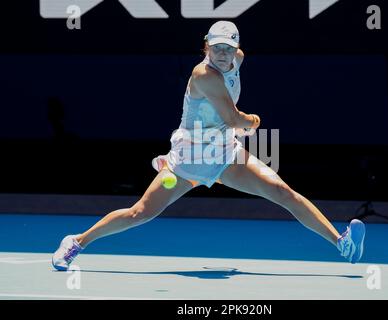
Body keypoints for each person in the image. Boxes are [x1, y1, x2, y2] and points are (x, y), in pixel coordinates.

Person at [52, 21, 365, 271]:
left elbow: (227, 120)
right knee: (139, 214)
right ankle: (76, 241)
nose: (222, 54)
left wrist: (236, 127)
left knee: (283, 193)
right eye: (216, 47)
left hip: (225, 154)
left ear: (236, 49)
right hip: (190, 158)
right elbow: (233, 119)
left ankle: (342, 243)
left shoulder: (237, 61)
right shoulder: (204, 75)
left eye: (228, 48)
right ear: (206, 46)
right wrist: (253, 121)